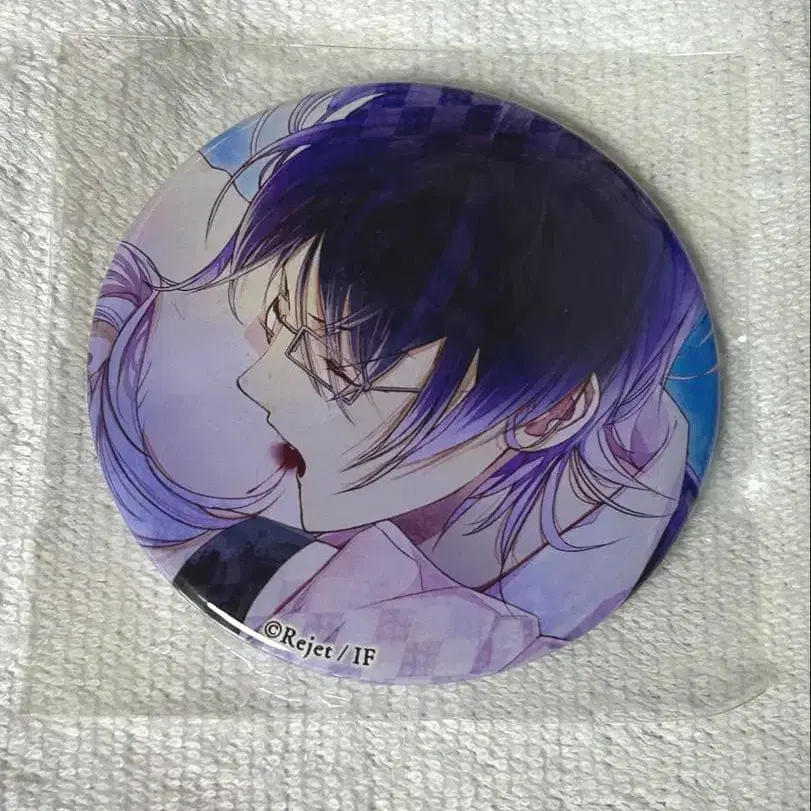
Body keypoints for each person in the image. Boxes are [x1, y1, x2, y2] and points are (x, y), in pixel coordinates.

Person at [88, 83, 706, 682]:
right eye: (278, 321)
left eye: (336, 372)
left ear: (551, 416)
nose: (260, 380)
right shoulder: (218, 303)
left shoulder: (546, 599)